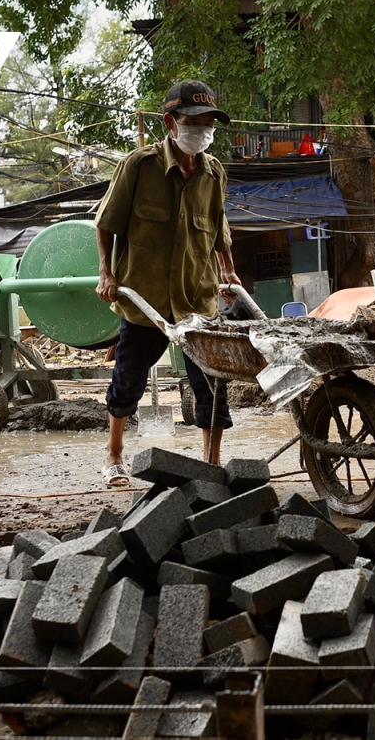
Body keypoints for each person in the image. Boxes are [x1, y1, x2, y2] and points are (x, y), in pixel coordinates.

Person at [94, 80, 242, 486]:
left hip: (197, 298)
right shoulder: (138, 167)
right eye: (194, 122)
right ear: (170, 122)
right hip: (147, 300)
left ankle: (211, 464)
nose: (203, 131)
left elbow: (217, 228)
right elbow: (106, 223)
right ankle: (114, 455)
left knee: (211, 385)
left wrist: (228, 269)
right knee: (128, 380)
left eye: (209, 123)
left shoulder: (214, 173)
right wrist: (107, 273)